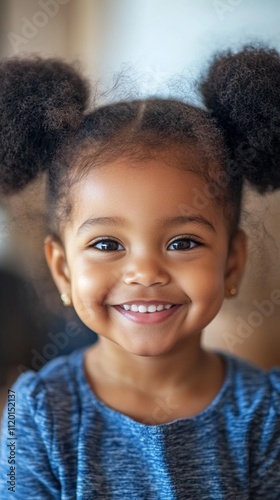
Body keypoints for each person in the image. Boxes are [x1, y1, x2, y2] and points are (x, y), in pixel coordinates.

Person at [0, 47, 280, 499]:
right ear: (63, 269)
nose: (145, 271)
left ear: (232, 262)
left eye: (183, 243)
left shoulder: (266, 413)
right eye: (107, 244)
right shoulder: (32, 412)